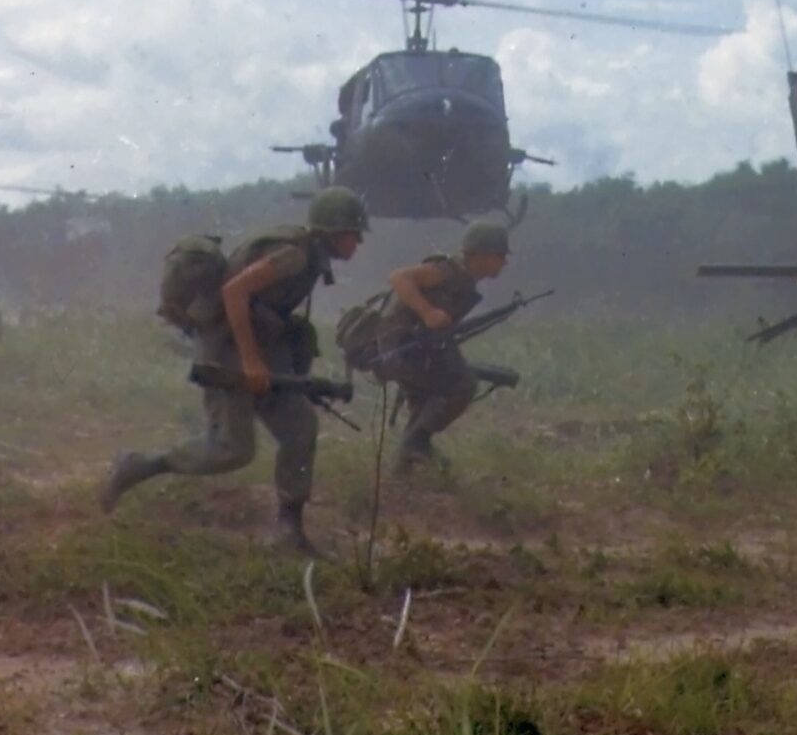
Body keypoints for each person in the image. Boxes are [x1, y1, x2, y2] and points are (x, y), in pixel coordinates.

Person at [98, 187, 369, 557]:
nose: (358, 242)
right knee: (232, 450)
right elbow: (234, 292)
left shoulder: (306, 254)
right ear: (334, 230)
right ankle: (137, 465)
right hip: (228, 346)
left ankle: (290, 530)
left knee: (300, 427)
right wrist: (252, 360)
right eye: (355, 233)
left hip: (256, 346)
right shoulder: (294, 255)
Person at [378, 220, 509, 472]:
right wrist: (428, 312)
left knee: (427, 401)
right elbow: (399, 277)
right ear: (480, 255)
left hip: (417, 347)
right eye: (500, 255)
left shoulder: (465, 279)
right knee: (462, 384)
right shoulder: (447, 271)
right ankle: (415, 445)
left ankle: (405, 464)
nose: (504, 262)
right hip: (402, 346)